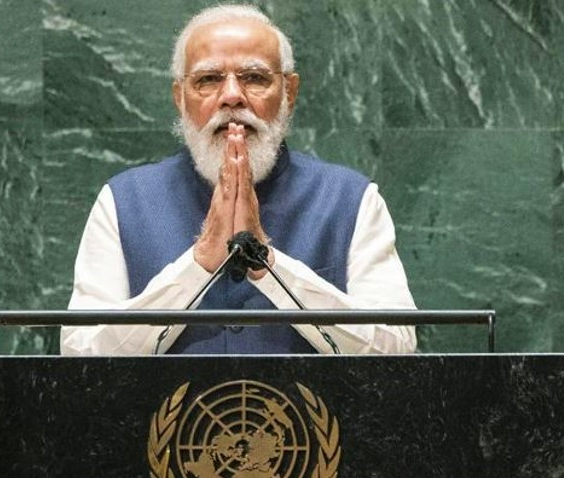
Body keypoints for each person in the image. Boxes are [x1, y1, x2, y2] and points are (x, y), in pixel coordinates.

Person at [60, 4, 417, 355]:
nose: (232, 96)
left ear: (288, 93)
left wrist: (269, 264)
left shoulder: (352, 200)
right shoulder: (123, 201)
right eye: (208, 80)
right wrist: (198, 264)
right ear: (180, 98)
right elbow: (80, 353)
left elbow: (397, 349)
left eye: (255, 78)